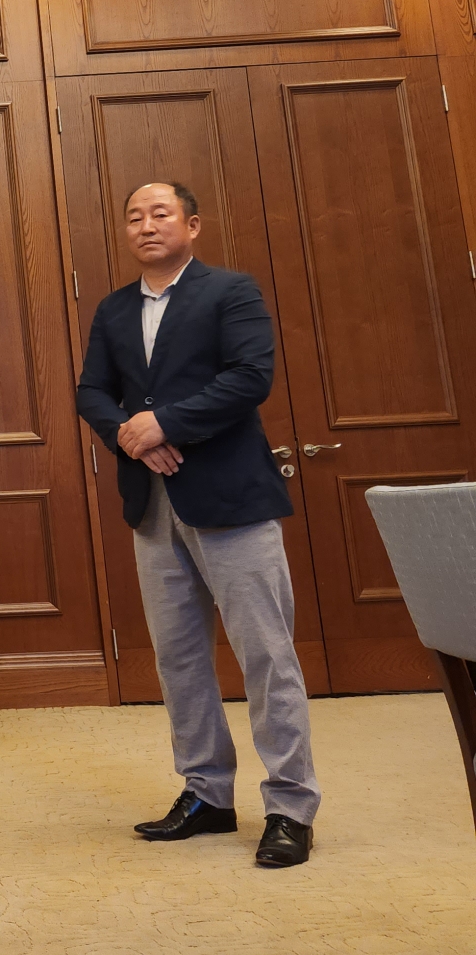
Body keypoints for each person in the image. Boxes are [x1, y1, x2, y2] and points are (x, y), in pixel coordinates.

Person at [75, 181, 320, 869]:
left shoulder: (231, 292)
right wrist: (131, 437)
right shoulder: (114, 308)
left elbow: (250, 377)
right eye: (134, 217)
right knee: (179, 657)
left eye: (160, 214)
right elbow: (91, 390)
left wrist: (167, 424)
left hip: (232, 500)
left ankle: (291, 806)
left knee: (266, 655)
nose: (146, 225)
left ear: (192, 225)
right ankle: (207, 793)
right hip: (153, 506)